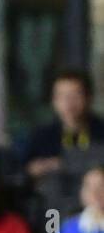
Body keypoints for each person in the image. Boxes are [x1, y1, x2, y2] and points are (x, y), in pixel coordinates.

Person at [23, 69, 104, 219]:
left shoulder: (100, 132)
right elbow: (26, 172)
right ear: (54, 100)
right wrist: (36, 169)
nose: (68, 102)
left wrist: (63, 164)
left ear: (89, 97)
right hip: (54, 210)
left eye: (75, 95)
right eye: (62, 96)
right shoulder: (42, 136)